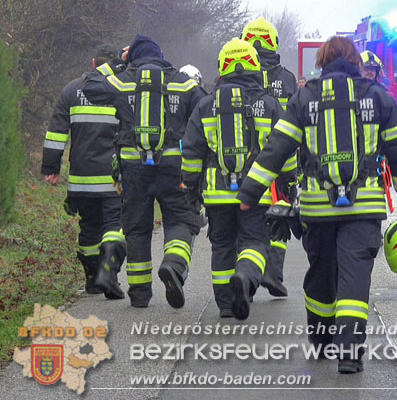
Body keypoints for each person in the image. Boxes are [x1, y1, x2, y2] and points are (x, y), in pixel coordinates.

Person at [236, 36, 397, 374]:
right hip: (364, 207)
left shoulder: (304, 98)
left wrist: (250, 194)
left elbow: (277, 148)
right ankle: (349, 352)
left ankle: (321, 341)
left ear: (321, 62)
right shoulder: (378, 97)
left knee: (321, 274)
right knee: (354, 276)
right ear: (356, 62)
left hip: (317, 208)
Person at [82, 35, 204, 309]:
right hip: (173, 168)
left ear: (133, 57)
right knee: (181, 220)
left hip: (133, 168)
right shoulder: (183, 82)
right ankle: (174, 265)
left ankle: (139, 294)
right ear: (160, 56)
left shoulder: (121, 80)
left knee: (136, 228)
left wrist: (117, 61)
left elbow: (89, 85)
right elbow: (205, 110)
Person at [181, 38, 283, 319]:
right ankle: (245, 277)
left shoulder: (205, 105)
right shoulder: (269, 105)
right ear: (254, 65)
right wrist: (287, 185)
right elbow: (284, 148)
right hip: (256, 192)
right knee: (255, 241)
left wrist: (191, 187)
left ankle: (226, 304)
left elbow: (192, 151)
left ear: (222, 67)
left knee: (223, 245)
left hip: (217, 193)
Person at [42, 48, 126, 300]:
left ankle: (92, 278)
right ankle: (108, 273)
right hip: (114, 179)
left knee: (89, 226)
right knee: (114, 225)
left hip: (81, 179)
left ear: (93, 64)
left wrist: (51, 167)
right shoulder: (121, 88)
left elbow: (56, 132)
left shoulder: (72, 90)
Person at [241, 17, 298, 298]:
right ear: (273, 43)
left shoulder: (235, 78)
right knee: (280, 212)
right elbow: (297, 122)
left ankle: (247, 277)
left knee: (246, 221)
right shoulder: (287, 79)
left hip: (241, 161)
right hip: (280, 159)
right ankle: (273, 274)